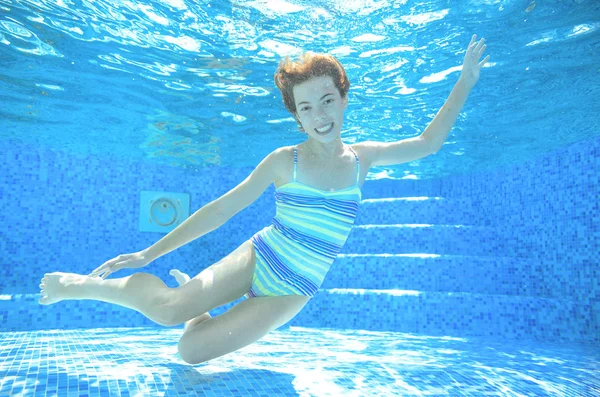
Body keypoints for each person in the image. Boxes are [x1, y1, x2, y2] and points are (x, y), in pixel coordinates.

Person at [39, 35, 489, 364]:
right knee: (166, 310)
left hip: (294, 290)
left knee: (189, 352)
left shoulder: (362, 159)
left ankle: (201, 319)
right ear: (296, 116)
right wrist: (148, 251)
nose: (320, 116)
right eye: (306, 108)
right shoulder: (282, 161)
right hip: (262, 255)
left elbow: (428, 143)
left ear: (344, 97)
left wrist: (466, 81)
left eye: (327, 100)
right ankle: (81, 286)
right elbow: (220, 210)